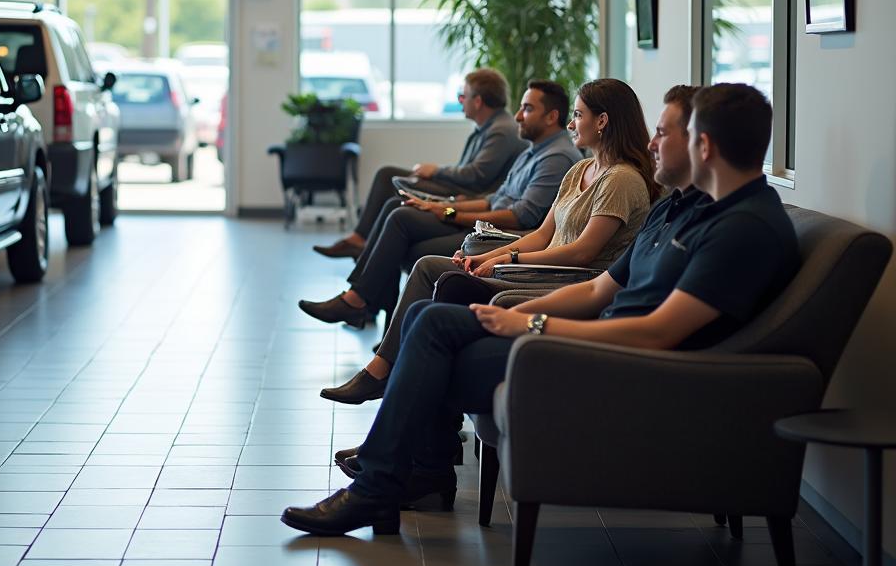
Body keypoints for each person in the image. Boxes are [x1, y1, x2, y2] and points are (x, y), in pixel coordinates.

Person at [281, 83, 800, 536]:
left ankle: (383, 486)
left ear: (703, 145)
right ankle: (401, 477)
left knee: (434, 331)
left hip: (616, 366)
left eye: (665, 133)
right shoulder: (683, 207)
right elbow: (599, 289)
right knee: (427, 316)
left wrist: (531, 323)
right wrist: (519, 313)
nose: (651, 141)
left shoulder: (741, 230)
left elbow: (657, 334)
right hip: (589, 339)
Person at [320, 78, 663, 405]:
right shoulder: (580, 170)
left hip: (566, 278)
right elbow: (542, 235)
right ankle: (381, 370)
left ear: (602, 121)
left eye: (578, 115)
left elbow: (583, 252)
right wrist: (492, 256)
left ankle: (384, 373)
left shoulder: (621, 180)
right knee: (428, 265)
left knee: (433, 271)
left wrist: (507, 260)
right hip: (540, 269)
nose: (572, 124)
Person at [297, 80, 582, 329]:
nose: (518, 115)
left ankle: (363, 305)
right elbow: (494, 198)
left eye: (528, 109)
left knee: (402, 222)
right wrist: (442, 208)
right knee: (400, 214)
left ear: (551, 117)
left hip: (499, 235)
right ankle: (373, 317)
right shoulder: (534, 152)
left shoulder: (555, 157)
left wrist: (449, 210)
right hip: (485, 221)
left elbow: (521, 216)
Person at [312, 68, 524, 259]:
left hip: (470, 193)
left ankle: (361, 243)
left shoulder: (500, 130)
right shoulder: (490, 125)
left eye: (463, 96)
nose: (460, 101)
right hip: (468, 189)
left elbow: (476, 175)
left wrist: (436, 172)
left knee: (390, 180)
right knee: (392, 188)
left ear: (478, 101)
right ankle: (362, 244)